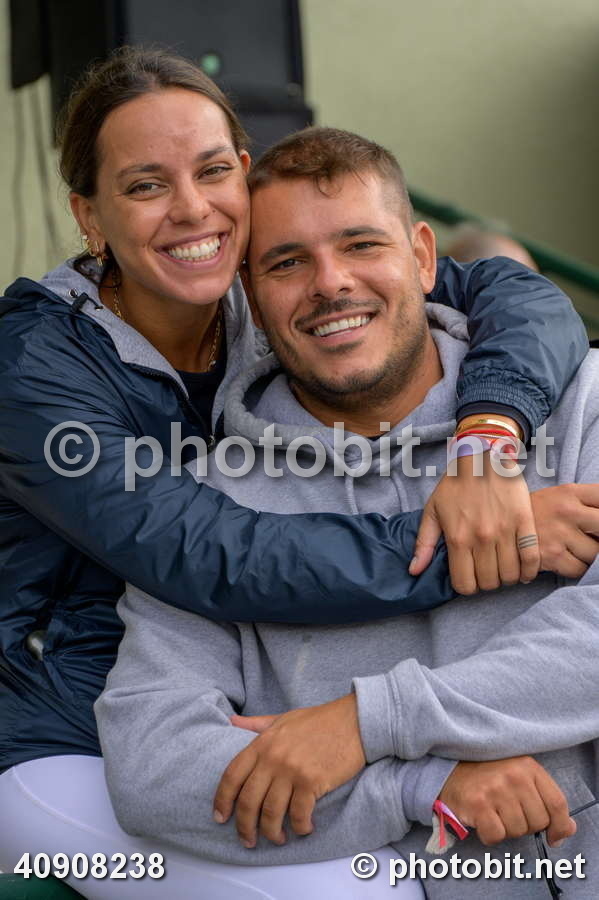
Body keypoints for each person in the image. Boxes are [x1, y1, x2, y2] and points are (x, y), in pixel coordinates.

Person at [0, 46, 592, 891]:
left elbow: (512, 293)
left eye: (213, 171)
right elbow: (209, 556)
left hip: (213, 718)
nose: (191, 207)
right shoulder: (34, 366)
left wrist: (486, 437)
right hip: (44, 721)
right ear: (89, 218)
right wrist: (485, 538)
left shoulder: (260, 292)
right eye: (145, 185)